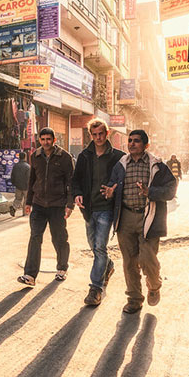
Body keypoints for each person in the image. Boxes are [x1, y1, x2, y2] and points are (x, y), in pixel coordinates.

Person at [103, 130, 177, 314]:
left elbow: (171, 190)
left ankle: (154, 285)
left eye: (136, 141)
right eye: (130, 141)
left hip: (149, 218)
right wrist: (110, 193)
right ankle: (134, 299)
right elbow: (112, 185)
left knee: (146, 259)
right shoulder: (121, 165)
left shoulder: (157, 166)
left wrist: (150, 192)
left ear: (146, 145)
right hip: (126, 218)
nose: (132, 144)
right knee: (129, 262)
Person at [71, 118, 125, 306]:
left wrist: (114, 189)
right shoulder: (85, 156)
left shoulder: (118, 156)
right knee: (94, 247)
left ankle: (95, 288)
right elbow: (75, 180)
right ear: (90, 135)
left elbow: (124, 181)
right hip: (88, 209)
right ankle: (108, 266)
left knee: (100, 247)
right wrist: (77, 194)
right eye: (94, 135)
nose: (98, 137)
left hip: (106, 209)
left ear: (107, 133)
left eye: (101, 134)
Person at [17, 127, 74, 286]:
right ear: (39, 140)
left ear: (54, 140)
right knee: (35, 237)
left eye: (49, 139)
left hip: (58, 205)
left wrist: (70, 204)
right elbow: (31, 180)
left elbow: (71, 182)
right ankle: (30, 275)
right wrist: (28, 202)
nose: (46, 142)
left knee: (59, 238)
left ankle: (62, 268)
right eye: (43, 139)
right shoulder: (35, 156)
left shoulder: (64, 157)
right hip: (39, 204)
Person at [9, 152, 30, 217]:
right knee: (26, 199)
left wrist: (14, 183)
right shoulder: (28, 166)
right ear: (25, 157)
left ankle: (14, 207)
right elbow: (29, 177)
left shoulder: (15, 166)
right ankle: (25, 213)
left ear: (19, 157)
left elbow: (12, 175)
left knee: (18, 198)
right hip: (26, 186)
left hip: (18, 186)